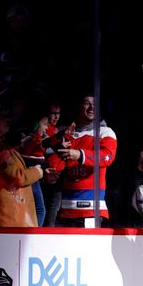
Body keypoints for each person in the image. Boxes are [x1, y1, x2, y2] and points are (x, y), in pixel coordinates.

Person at [53, 91, 118, 228]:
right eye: (87, 103)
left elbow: (107, 157)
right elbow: (56, 161)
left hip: (91, 211)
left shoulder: (105, 132)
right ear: (78, 106)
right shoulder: (65, 133)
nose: (91, 107)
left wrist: (80, 155)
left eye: (95, 104)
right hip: (63, 210)